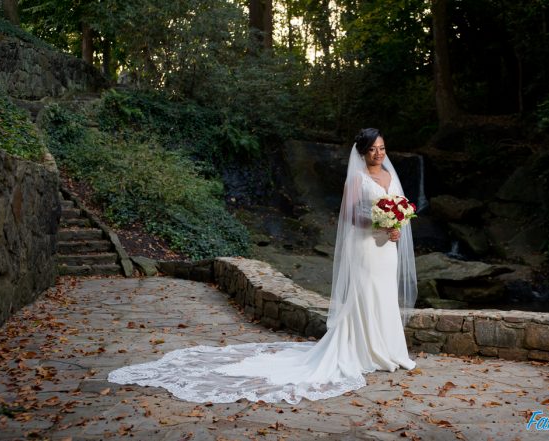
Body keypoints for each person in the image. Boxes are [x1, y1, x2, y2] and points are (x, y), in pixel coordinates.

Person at [107, 128, 418, 404]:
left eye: (382, 147)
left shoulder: (391, 177)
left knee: (384, 294)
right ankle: (363, 350)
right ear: (362, 152)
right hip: (365, 246)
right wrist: (379, 223)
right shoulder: (356, 179)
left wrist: (395, 226)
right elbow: (350, 216)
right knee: (365, 295)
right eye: (373, 148)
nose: (379, 153)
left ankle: (388, 351)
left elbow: (401, 211)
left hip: (385, 249)